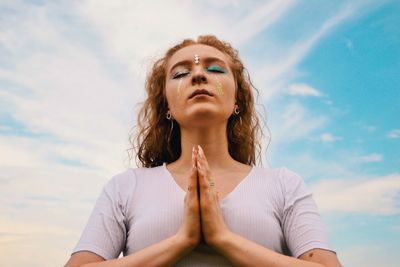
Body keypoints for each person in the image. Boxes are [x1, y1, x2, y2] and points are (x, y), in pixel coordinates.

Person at [65, 35, 342, 267]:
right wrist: (182, 240)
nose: (198, 74)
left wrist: (222, 237)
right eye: (181, 73)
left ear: (237, 100)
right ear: (167, 107)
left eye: (216, 70)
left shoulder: (283, 184)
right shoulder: (126, 187)